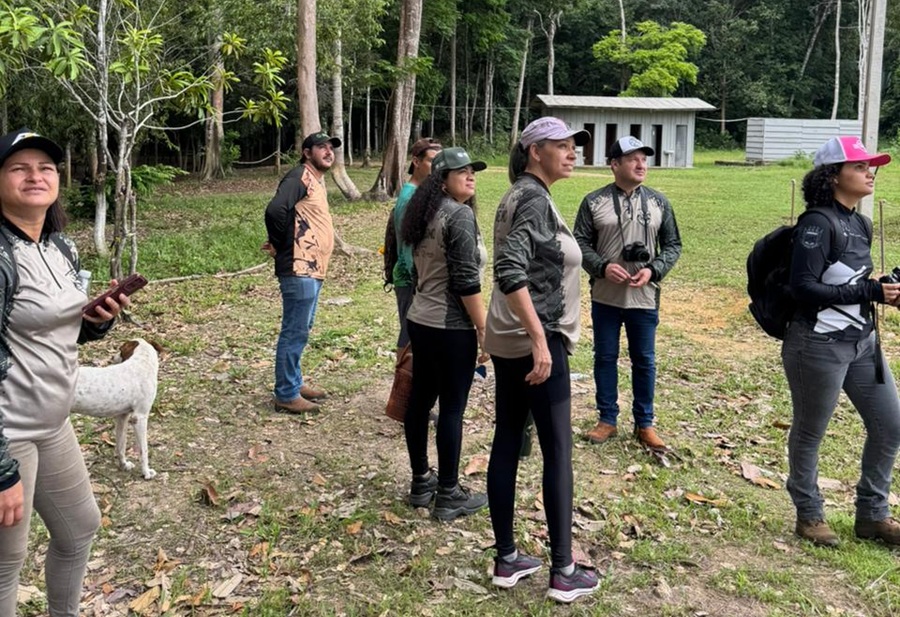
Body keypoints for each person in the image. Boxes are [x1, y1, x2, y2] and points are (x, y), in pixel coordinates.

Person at [0, 128, 127, 616]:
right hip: (8, 433)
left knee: (79, 528)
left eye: (46, 168)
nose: (35, 176)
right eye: (19, 167)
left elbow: (56, 333)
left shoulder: (59, 248)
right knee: (6, 560)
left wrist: (97, 322)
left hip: (52, 423)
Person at [484, 117, 600, 603]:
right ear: (535, 152)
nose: (572, 152)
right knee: (557, 450)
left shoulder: (519, 195)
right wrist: (538, 338)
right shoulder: (532, 197)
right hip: (536, 339)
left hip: (510, 336)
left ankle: (507, 558)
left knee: (509, 436)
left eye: (575, 145)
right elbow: (509, 269)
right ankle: (564, 570)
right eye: (563, 145)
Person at [782, 136, 900, 547]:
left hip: (862, 343)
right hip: (817, 344)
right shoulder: (817, 223)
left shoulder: (860, 222)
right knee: (812, 431)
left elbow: (851, 281)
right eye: (860, 166)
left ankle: (872, 515)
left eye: (873, 166)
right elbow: (803, 289)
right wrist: (868, 293)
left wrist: (883, 290)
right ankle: (809, 513)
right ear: (833, 175)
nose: (870, 173)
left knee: (891, 425)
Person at [574, 136, 682, 451]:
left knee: (645, 361)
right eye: (632, 158)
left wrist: (655, 269)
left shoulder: (660, 202)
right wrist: (601, 266)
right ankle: (607, 419)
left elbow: (673, 244)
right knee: (605, 357)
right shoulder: (593, 201)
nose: (640, 164)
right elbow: (579, 242)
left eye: (644, 159)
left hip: (645, 298)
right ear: (615, 164)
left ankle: (644, 424)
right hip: (605, 296)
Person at [400, 146, 489, 521]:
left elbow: (417, 270)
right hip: (451, 326)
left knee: (420, 400)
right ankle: (449, 492)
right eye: (461, 171)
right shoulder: (459, 216)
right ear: (442, 178)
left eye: (472, 171)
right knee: (451, 407)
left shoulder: (421, 214)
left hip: (419, 317)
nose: (470, 176)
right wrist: (484, 329)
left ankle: (422, 481)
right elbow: (466, 282)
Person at [264, 131, 340, 414]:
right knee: (294, 331)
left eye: (331, 148)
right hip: (300, 267)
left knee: (302, 329)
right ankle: (285, 393)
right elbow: (275, 211)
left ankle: (293, 383)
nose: (328, 151)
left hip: (312, 268)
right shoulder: (299, 177)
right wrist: (281, 242)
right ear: (307, 152)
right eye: (321, 147)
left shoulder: (315, 181)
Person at [392, 138, 441, 350]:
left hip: (420, 279)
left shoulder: (424, 193)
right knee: (409, 337)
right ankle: (402, 382)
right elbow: (405, 246)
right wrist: (417, 282)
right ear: (416, 161)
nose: (437, 168)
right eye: (432, 161)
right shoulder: (409, 197)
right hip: (409, 280)